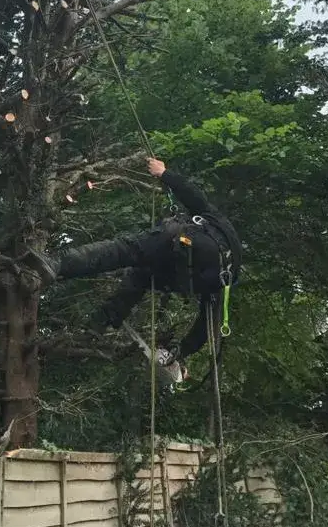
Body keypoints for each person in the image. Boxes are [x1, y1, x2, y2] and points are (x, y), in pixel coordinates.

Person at [26, 158, 242, 371]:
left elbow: (194, 196)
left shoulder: (218, 221)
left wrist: (163, 173)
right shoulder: (229, 272)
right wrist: (180, 352)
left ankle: (56, 264)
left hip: (180, 244)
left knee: (123, 250)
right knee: (141, 276)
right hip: (187, 278)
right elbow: (206, 326)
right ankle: (97, 327)